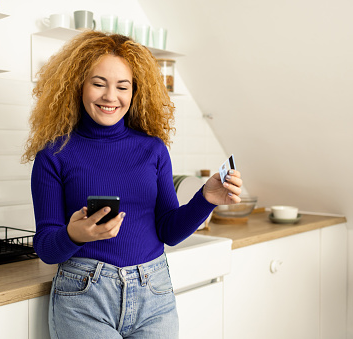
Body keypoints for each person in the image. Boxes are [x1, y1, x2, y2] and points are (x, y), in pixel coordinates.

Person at [22, 30, 242, 339]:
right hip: (84, 298)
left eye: (122, 87)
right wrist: (75, 233)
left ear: (135, 92)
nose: (110, 96)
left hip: (154, 293)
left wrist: (206, 198)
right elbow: (46, 248)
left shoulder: (153, 150)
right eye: (98, 84)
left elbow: (169, 231)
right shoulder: (54, 155)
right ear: (78, 86)